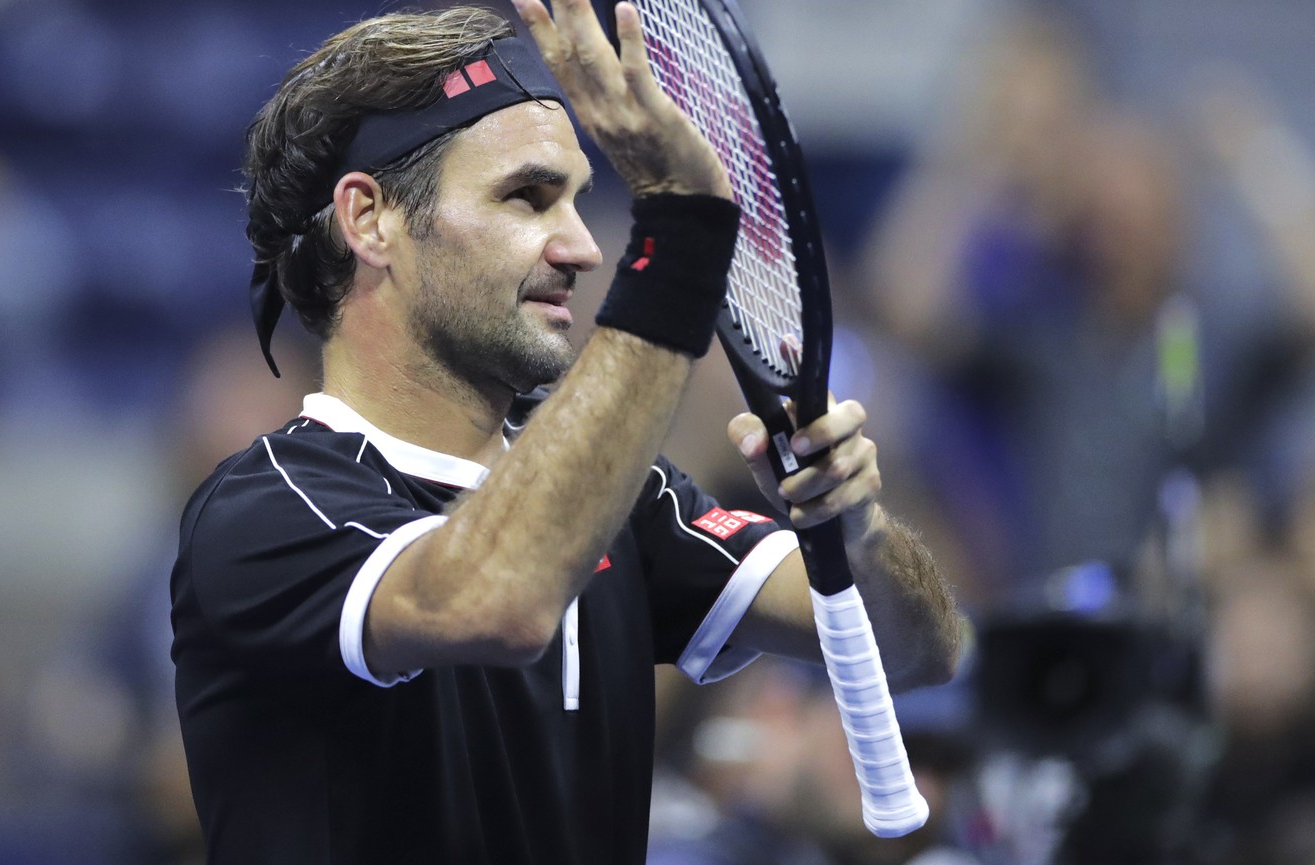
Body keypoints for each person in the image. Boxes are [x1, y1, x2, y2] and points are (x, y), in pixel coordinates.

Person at [169, 2, 961, 863]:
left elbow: (918, 647)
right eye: (528, 197)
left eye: (580, 200)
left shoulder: (627, 498)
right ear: (369, 220)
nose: (584, 247)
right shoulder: (266, 512)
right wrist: (680, 235)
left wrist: (855, 529)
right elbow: (496, 598)